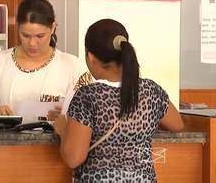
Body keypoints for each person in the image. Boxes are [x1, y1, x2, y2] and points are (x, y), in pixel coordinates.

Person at [53, 19, 184, 182]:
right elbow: (177, 124)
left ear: (91, 57)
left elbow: (73, 158)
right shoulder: (151, 91)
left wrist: (63, 129)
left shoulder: (88, 96)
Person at [0, 0, 85, 117]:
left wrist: (67, 117)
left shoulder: (74, 67)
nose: (32, 43)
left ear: (53, 28)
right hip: (2, 135)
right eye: (25, 35)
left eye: (40, 36)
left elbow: (90, 116)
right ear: (17, 27)